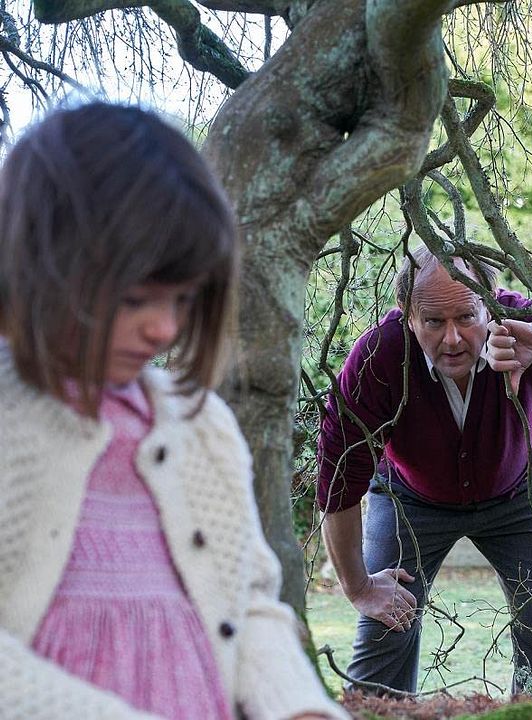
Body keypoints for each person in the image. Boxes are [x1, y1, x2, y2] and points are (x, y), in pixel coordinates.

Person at [0, 103, 345, 719]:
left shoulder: (201, 429)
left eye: (183, 299)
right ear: (40, 266)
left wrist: (300, 707)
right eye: (136, 299)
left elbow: (250, 603)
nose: (164, 328)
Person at [316, 246, 532, 695]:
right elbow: (338, 476)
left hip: (523, 493)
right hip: (410, 499)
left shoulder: (520, 323)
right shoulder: (379, 357)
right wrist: (358, 587)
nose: (452, 339)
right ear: (407, 314)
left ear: (490, 300)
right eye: (433, 321)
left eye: (466, 317)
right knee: (385, 628)